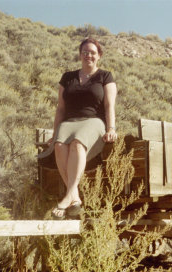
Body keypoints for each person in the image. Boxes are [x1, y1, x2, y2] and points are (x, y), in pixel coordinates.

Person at [48, 37, 117, 219]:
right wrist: (54, 133)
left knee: (78, 143)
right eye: (85, 52)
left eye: (93, 52)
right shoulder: (67, 78)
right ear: (80, 55)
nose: (89, 55)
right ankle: (75, 197)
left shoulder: (105, 76)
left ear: (99, 56)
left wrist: (111, 128)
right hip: (69, 122)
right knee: (59, 144)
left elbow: (110, 105)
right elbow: (61, 108)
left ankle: (68, 196)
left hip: (94, 122)